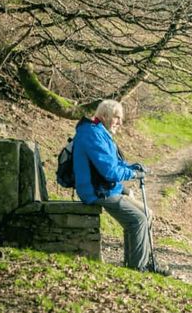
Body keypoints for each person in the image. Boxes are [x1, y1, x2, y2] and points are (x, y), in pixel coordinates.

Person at [72, 99, 169, 276]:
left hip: (107, 188)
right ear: (105, 116)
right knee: (137, 220)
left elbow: (114, 164)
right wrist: (132, 175)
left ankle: (144, 261)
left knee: (147, 214)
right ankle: (136, 268)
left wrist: (132, 167)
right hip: (96, 191)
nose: (120, 122)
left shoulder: (99, 132)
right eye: (117, 118)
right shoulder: (91, 134)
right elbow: (110, 172)